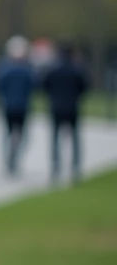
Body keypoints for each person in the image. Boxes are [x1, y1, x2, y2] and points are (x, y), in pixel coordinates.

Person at [42, 43, 90, 183]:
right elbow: (84, 86)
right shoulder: (76, 69)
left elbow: (45, 85)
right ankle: (75, 167)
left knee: (55, 138)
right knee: (74, 138)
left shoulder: (53, 69)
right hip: (72, 107)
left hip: (56, 107)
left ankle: (56, 166)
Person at [0, 35, 37, 176]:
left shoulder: (4, 68)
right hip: (21, 107)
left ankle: (9, 159)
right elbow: (35, 86)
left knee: (8, 134)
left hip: (9, 106)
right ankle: (13, 159)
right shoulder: (27, 69)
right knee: (21, 135)